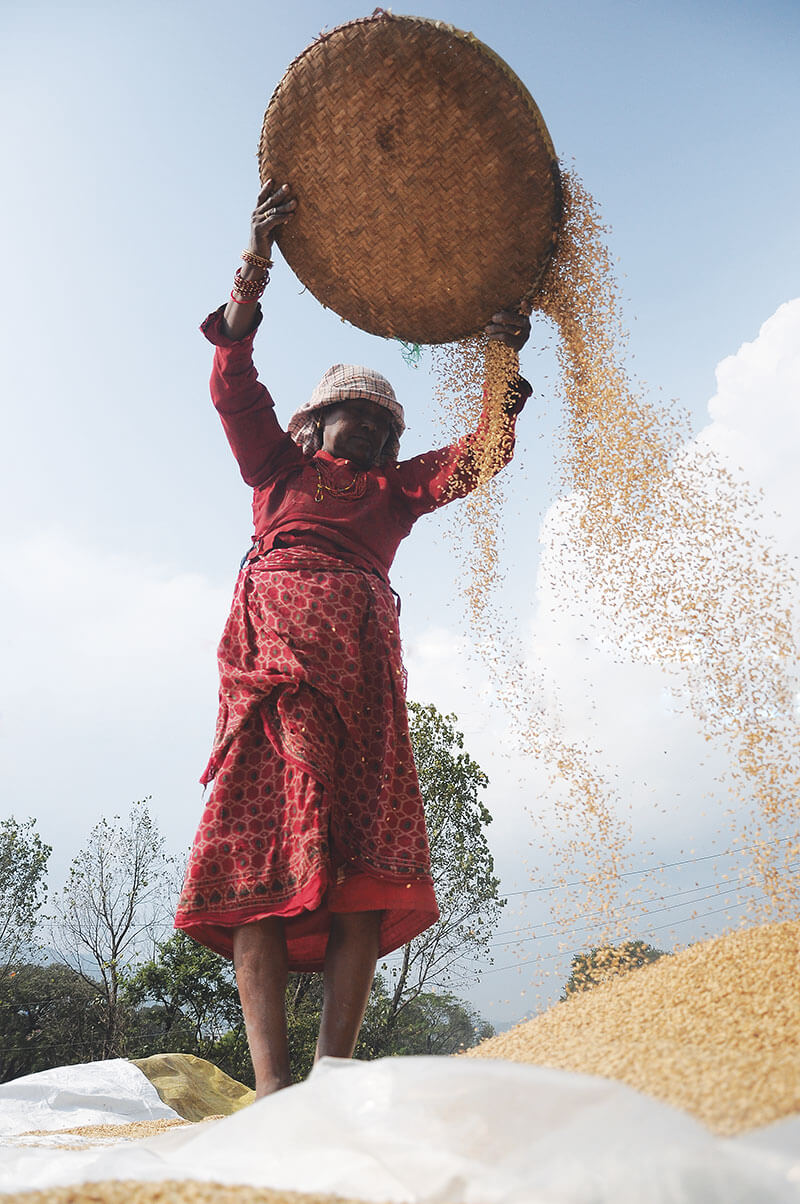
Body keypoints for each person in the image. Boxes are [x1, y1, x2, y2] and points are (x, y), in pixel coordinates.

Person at [174, 179, 532, 1096]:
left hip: (365, 694)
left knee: (364, 880)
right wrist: (252, 275)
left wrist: (503, 356)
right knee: (260, 861)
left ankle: (332, 1082)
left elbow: (479, 456)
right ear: (316, 423)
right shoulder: (277, 469)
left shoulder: (393, 493)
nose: (370, 432)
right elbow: (233, 383)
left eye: (383, 425)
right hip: (273, 682)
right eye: (355, 417)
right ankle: (270, 1088)